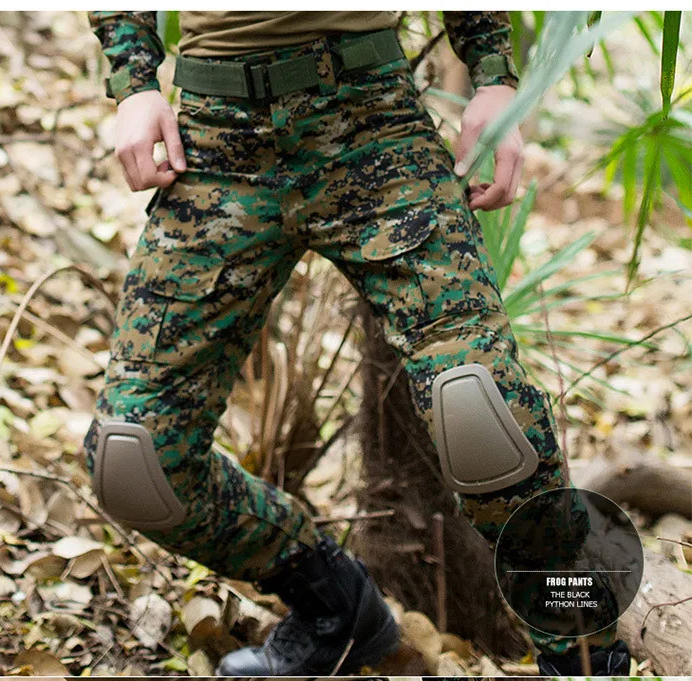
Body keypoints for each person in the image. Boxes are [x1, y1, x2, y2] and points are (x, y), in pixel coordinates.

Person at [85, 11, 630, 676]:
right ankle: (334, 605)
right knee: (136, 460)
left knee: (484, 414)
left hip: (370, 124)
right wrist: (133, 81)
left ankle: (580, 649)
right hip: (213, 138)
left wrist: (492, 73)